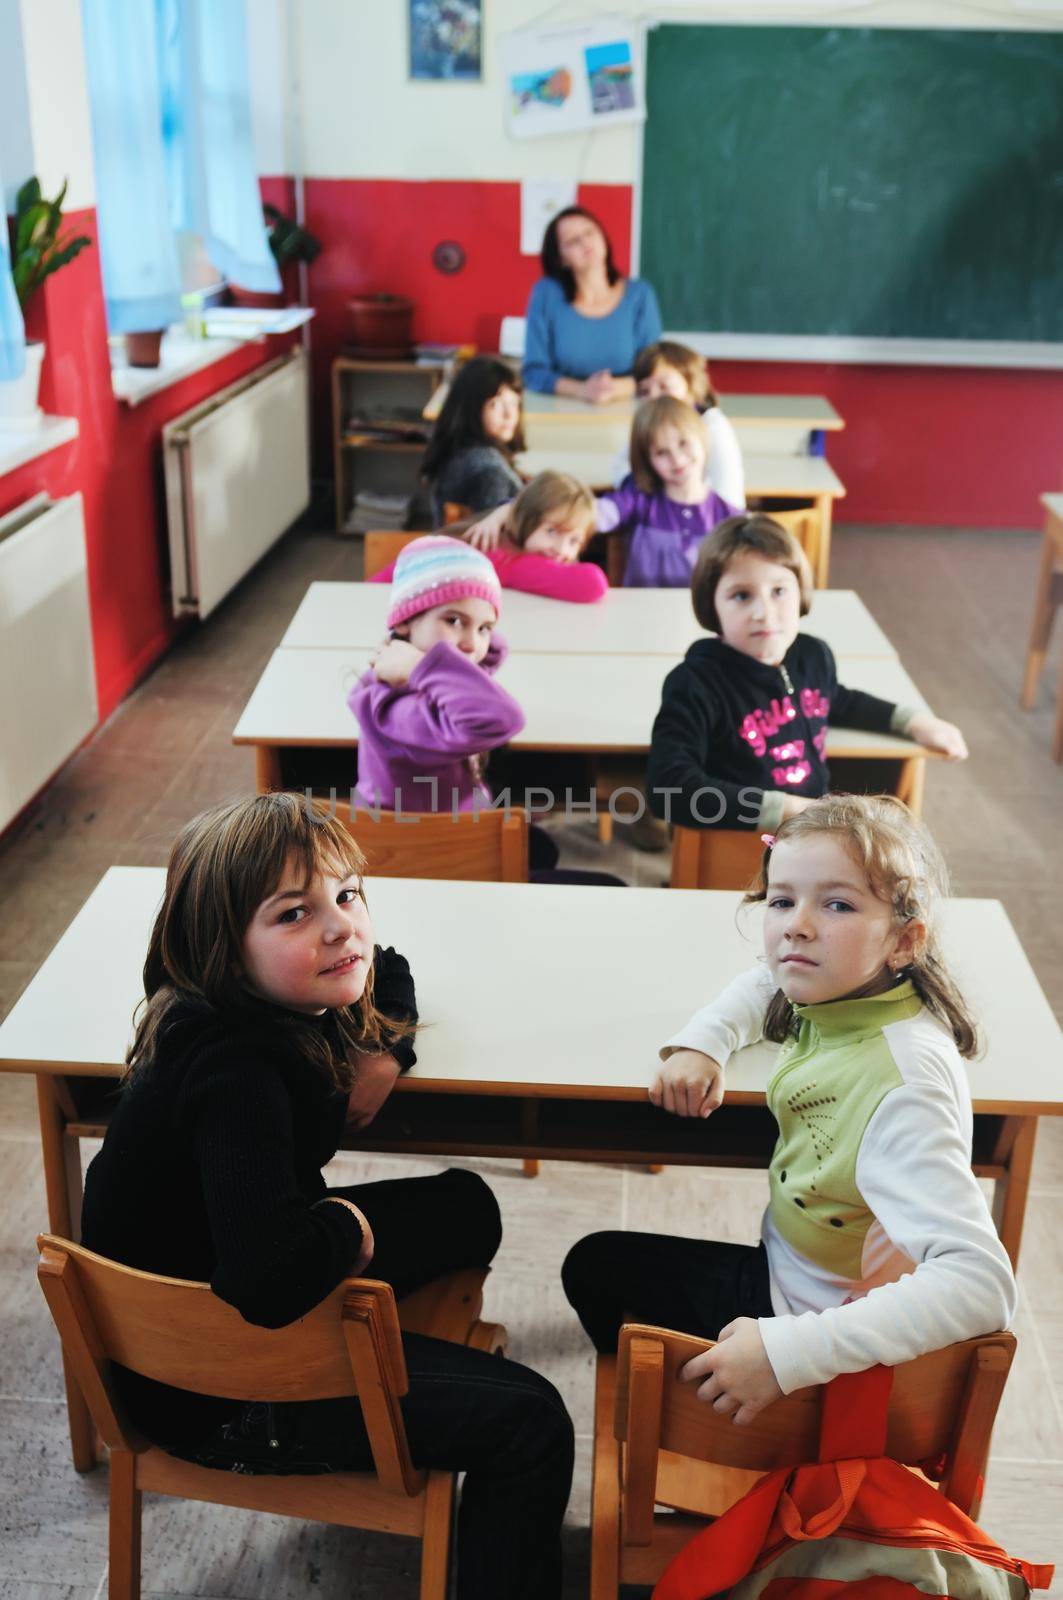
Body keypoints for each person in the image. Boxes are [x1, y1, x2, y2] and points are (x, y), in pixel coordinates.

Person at [80, 793, 575, 1598]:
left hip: (226, 1285)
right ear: (223, 946)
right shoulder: (237, 1075)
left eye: (347, 895)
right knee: (532, 1422)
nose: (343, 928)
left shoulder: (258, 998)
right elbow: (268, 1281)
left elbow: (391, 967)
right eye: (294, 914)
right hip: (218, 1385)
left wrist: (386, 1054)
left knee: (467, 1206)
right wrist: (350, 1223)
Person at [562, 793, 1017, 1424]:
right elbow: (766, 978)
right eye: (782, 900)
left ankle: (697, 1427)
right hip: (806, 1284)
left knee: (593, 1266)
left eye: (836, 904)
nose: (797, 925)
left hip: (814, 1327)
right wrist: (707, 1041)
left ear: (904, 941)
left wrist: (787, 1352)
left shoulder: (904, 1090)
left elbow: (981, 1286)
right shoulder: (855, 988)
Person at [646, 513, 969, 831]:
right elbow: (668, 791)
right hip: (748, 841)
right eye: (741, 596)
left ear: (801, 592)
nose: (764, 613)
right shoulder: (695, 684)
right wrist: (790, 809)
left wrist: (913, 721)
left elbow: (835, 701)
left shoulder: (813, 655)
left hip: (810, 831)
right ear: (711, 605)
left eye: (779, 591)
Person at [352, 536, 624, 883]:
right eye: (453, 621)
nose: (472, 644)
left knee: (541, 847)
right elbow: (502, 718)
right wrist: (427, 666)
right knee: (612, 887)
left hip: (456, 832)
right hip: (441, 861)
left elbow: (480, 665)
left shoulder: (415, 677)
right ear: (404, 620)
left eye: (484, 628)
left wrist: (447, 647)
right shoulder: (397, 712)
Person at [470, 398, 738, 590]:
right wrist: (509, 511)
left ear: (703, 440)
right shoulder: (637, 501)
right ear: (647, 459)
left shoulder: (730, 517)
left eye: (683, 443)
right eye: (661, 452)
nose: (677, 459)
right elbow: (575, 513)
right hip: (641, 624)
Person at [370, 475, 606, 603]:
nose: (561, 549)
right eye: (552, 532)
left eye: (574, 541)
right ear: (525, 519)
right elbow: (592, 584)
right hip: (377, 605)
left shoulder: (505, 534)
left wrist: (507, 510)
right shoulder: (505, 557)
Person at [522, 205, 662, 401]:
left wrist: (610, 388)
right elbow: (533, 373)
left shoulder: (640, 295)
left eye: (589, 232)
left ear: (603, 237)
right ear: (561, 259)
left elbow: (653, 372)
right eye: (572, 241)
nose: (585, 242)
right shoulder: (546, 294)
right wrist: (582, 390)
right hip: (562, 413)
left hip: (629, 414)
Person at [625, 338, 746, 509]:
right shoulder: (647, 427)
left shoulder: (713, 427)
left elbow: (730, 496)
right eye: (644, 391)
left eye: (664, 386)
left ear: (691, 386)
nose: (654, 397)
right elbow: (623, 468)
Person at [421, 356, 525, 526]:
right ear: (472, 408)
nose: (509, 415)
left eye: (514, 403)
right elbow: (492, 544)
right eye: (495, 404)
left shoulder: (455, 451)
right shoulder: (491, 472)